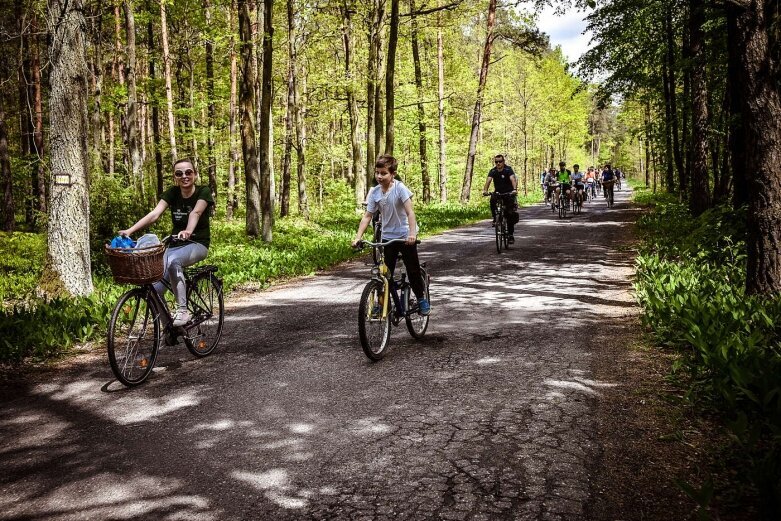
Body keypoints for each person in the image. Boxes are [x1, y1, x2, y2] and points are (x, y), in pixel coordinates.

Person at [119, 158, 215, 326]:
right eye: (179, 173)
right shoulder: (172, 192)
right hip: (174, 245)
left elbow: (196, 213)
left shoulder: (203, 191)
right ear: (175, 177)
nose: (184, 176)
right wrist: (129, 231)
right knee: (155, 290)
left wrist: (188, 231)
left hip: (197, 243)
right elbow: (154, 214)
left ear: (195, 175)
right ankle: (168, 329)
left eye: (188, 172)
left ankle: (183, 311)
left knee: (173, 263)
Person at [352, 155, 430, 316]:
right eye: (377, 173)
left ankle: (422, 299)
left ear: (392, 174)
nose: (379, 177)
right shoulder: (374, 192)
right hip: (387, 237)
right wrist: (358, 237)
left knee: (412, 270)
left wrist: (412, 234)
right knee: (385, 273)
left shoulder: (400, 188)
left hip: (404, 235)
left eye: (383, 173)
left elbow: (410, 212)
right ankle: (382, 304)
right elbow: (368, 216)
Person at [482, 154, 518, 244]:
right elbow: (488, 181)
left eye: (500, 161)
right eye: (496, 162)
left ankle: (510, 235)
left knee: (509, 214)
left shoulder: (508, 169)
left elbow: (513, 179)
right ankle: (495, 218)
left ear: (503, 162)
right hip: (498, 193)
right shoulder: (493, 171)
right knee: (492, 199)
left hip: (508, 193)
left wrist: (514, 189)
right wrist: (485, 190)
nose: (498, 163)